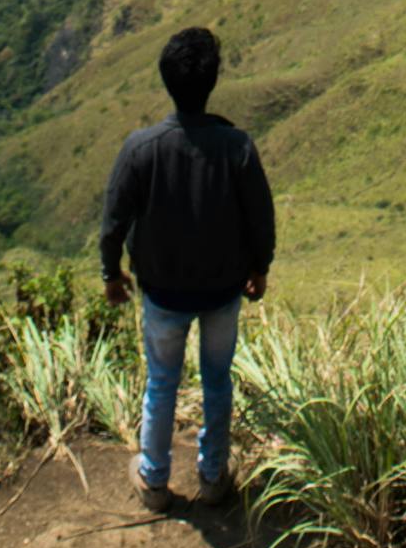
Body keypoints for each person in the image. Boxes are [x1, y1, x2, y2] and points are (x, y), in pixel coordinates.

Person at [99, 26, 276, 510]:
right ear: (214, 81)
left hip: (163, 291)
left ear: (166, 80)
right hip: (222, 289)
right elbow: (261, 216)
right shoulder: (237, 147)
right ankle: (214, 477)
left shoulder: (142, 148)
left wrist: (111, 274)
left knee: (161, 382)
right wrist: (260, 267)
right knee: (217, 380)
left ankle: (155, 480)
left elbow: (114, 219)